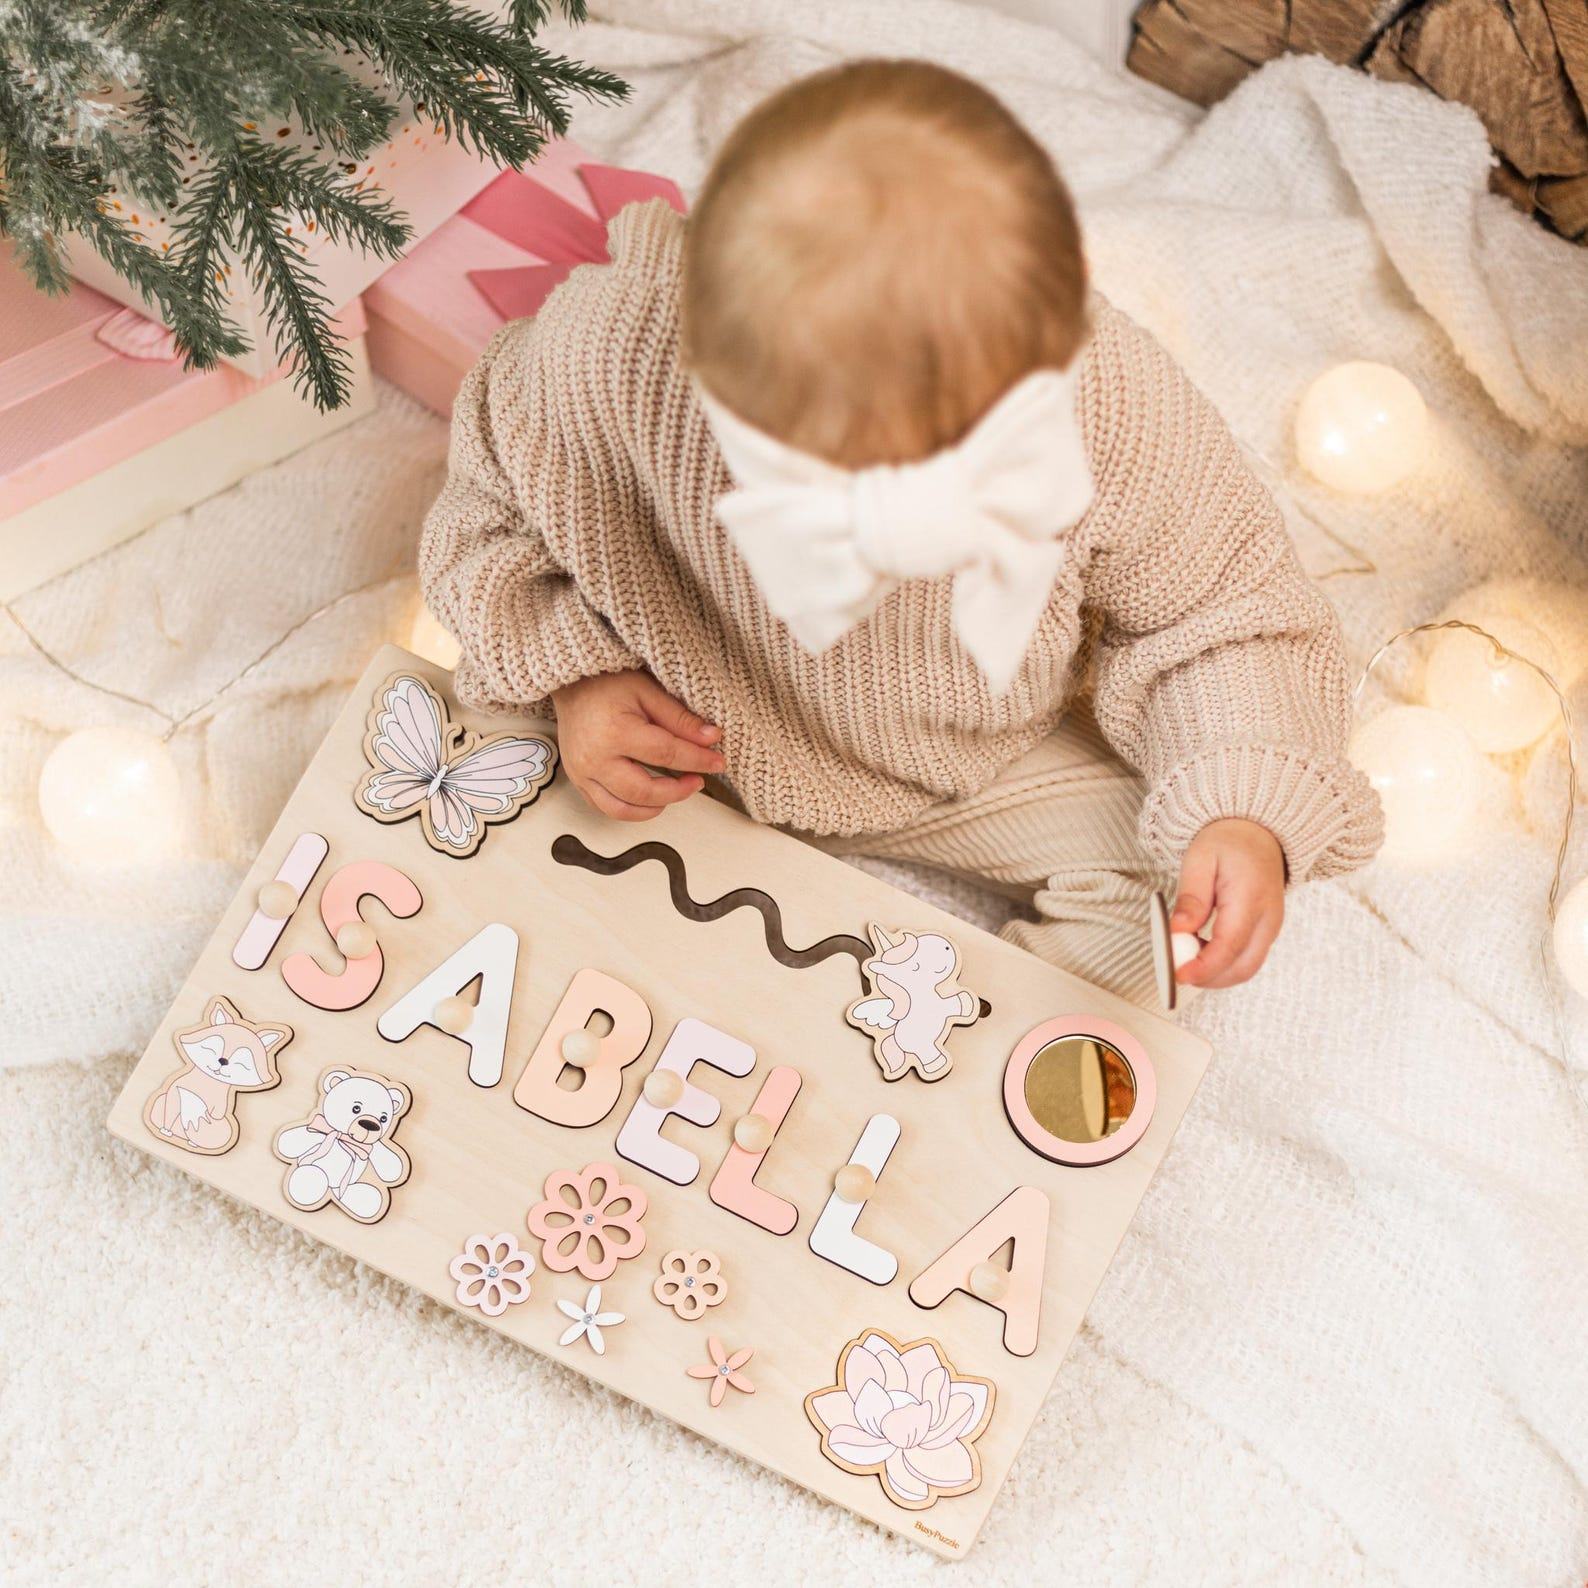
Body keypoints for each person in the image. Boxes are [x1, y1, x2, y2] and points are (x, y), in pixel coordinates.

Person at [420, 59, 1381, 1004]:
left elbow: (1225, 613)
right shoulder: (607, 348)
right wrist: (577, 675)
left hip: (951, 761)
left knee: (1170, 889)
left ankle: (940, 1098)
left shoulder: (1111, 413)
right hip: (668, 708)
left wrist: (1243, 813)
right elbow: (486, 515)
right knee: (462, 776)